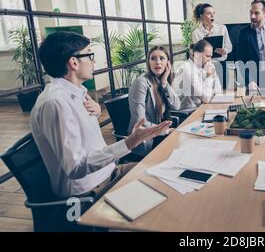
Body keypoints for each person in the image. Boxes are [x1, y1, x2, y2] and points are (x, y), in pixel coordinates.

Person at [30, 32, 171, 201]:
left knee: (167, 177)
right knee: (162, 197)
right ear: (74, 62)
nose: (93, 61)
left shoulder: (77, 93)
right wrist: (130, 142)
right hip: (91, 190)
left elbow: (83, 138)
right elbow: (75, 167)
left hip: (110, 173)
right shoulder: (55, 103)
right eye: (89, 55)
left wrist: (96, 112)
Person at [128, 46, 181, 157]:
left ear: (168, 63)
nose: (157, 62)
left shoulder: (160, 81)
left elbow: (177, 106)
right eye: (153, 58)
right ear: (148, 62)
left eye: (162, 58)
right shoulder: (141, 83)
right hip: (146, 140)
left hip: (159, 134)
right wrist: (165, 131)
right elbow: (139, 121)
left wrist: (164, 83)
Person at [173, 39, 222, 111]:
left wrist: (213, 73)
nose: (210, 60)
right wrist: (209, 76)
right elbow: (206, 98)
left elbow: (218, 91)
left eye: (211, 56)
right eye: (207, 56)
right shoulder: (187, 69)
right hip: (187, 114)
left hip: (199, 109)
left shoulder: (202, 67)